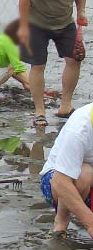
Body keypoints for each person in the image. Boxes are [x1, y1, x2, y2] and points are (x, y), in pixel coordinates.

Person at [18, 0, 92, 126]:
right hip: (37, 22)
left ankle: (65, 106)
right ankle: (39, 111)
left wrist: (81, 11)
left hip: (65, 22)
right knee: (38, 64)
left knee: (75, 59)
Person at [39, 101, 93, 238]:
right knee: (83, 173)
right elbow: (59, 181)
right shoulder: (80, 128)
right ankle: (61, 220)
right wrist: (90, 223)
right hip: (56, 181)